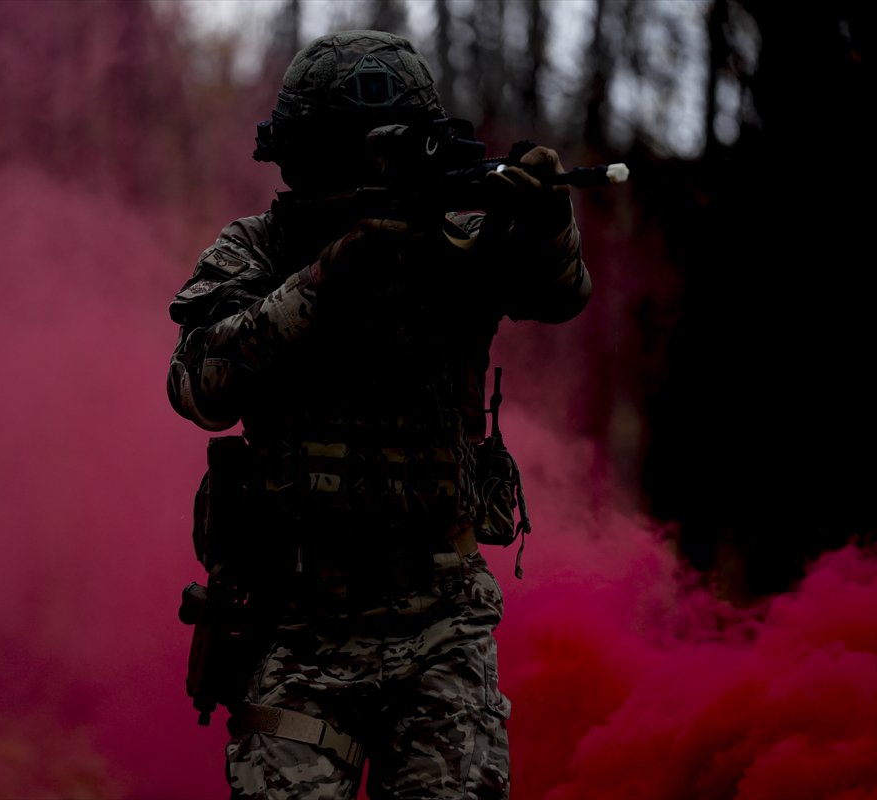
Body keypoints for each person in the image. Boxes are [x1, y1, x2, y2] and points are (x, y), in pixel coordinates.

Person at [167, 29, 590, 800]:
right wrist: (327, 282)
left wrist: (545, 217)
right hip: (298, 627)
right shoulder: (260, 250)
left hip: (441, 625)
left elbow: (558, 292)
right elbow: (197, 384)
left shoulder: (454, 246)